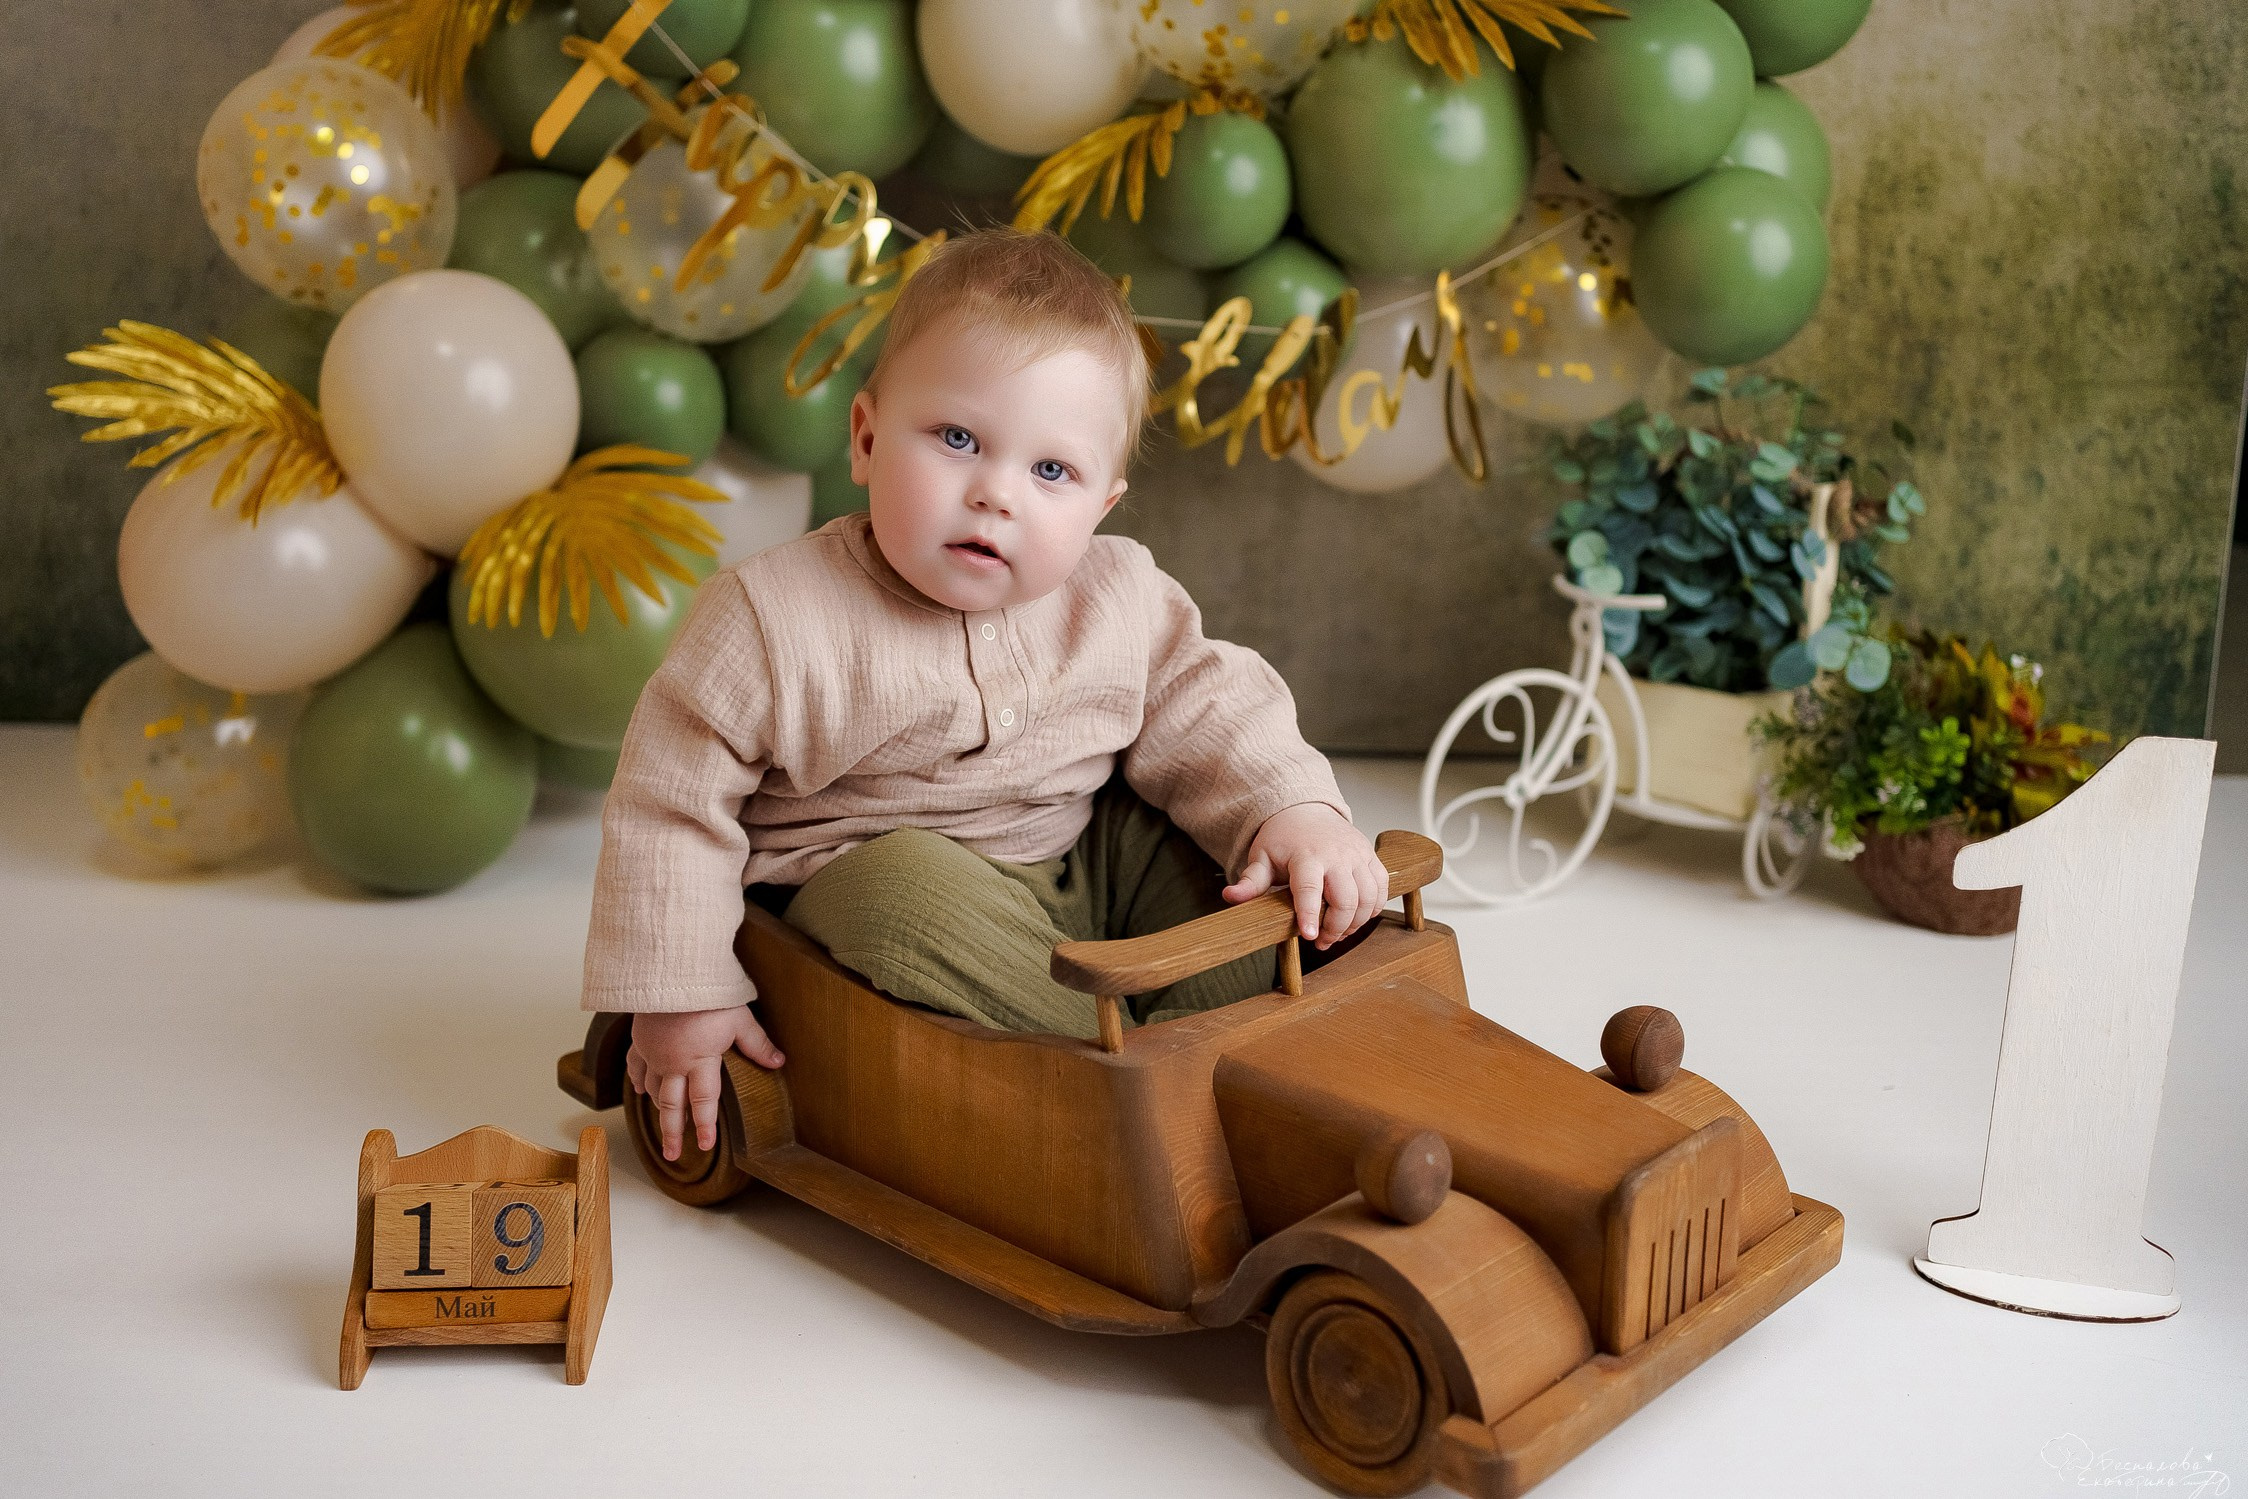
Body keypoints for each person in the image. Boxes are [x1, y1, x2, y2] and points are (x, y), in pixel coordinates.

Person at [584, 226, 1388, 1164]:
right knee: (899, 889)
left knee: (1227, 866)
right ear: (866, 438)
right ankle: (1124, 1071)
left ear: (1102, 505)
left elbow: (1212, 701)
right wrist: (680, 992)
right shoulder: (773, 617)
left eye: (1051, 471)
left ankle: (1227, 1032)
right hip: (874, 870)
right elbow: (670, 801)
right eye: (958, 439)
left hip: (1082, 860)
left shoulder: (1119, 593)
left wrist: (1292, 809)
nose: (996, 494)